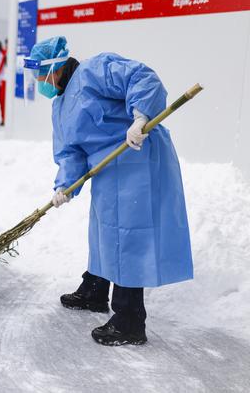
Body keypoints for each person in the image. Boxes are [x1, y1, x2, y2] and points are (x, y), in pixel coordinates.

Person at [25, 36, 193, 346]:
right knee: (104, 231)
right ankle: (95, 290)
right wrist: (65, 184)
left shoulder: (94, 70)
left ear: (54, 68)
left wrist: (141, 117)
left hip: (137, 159)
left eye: (39, 73)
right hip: (108, 171)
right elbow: (70, 152)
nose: (38, 81)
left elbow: (141, 77)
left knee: (129, 238)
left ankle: (130, 320)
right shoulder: (60, 105)